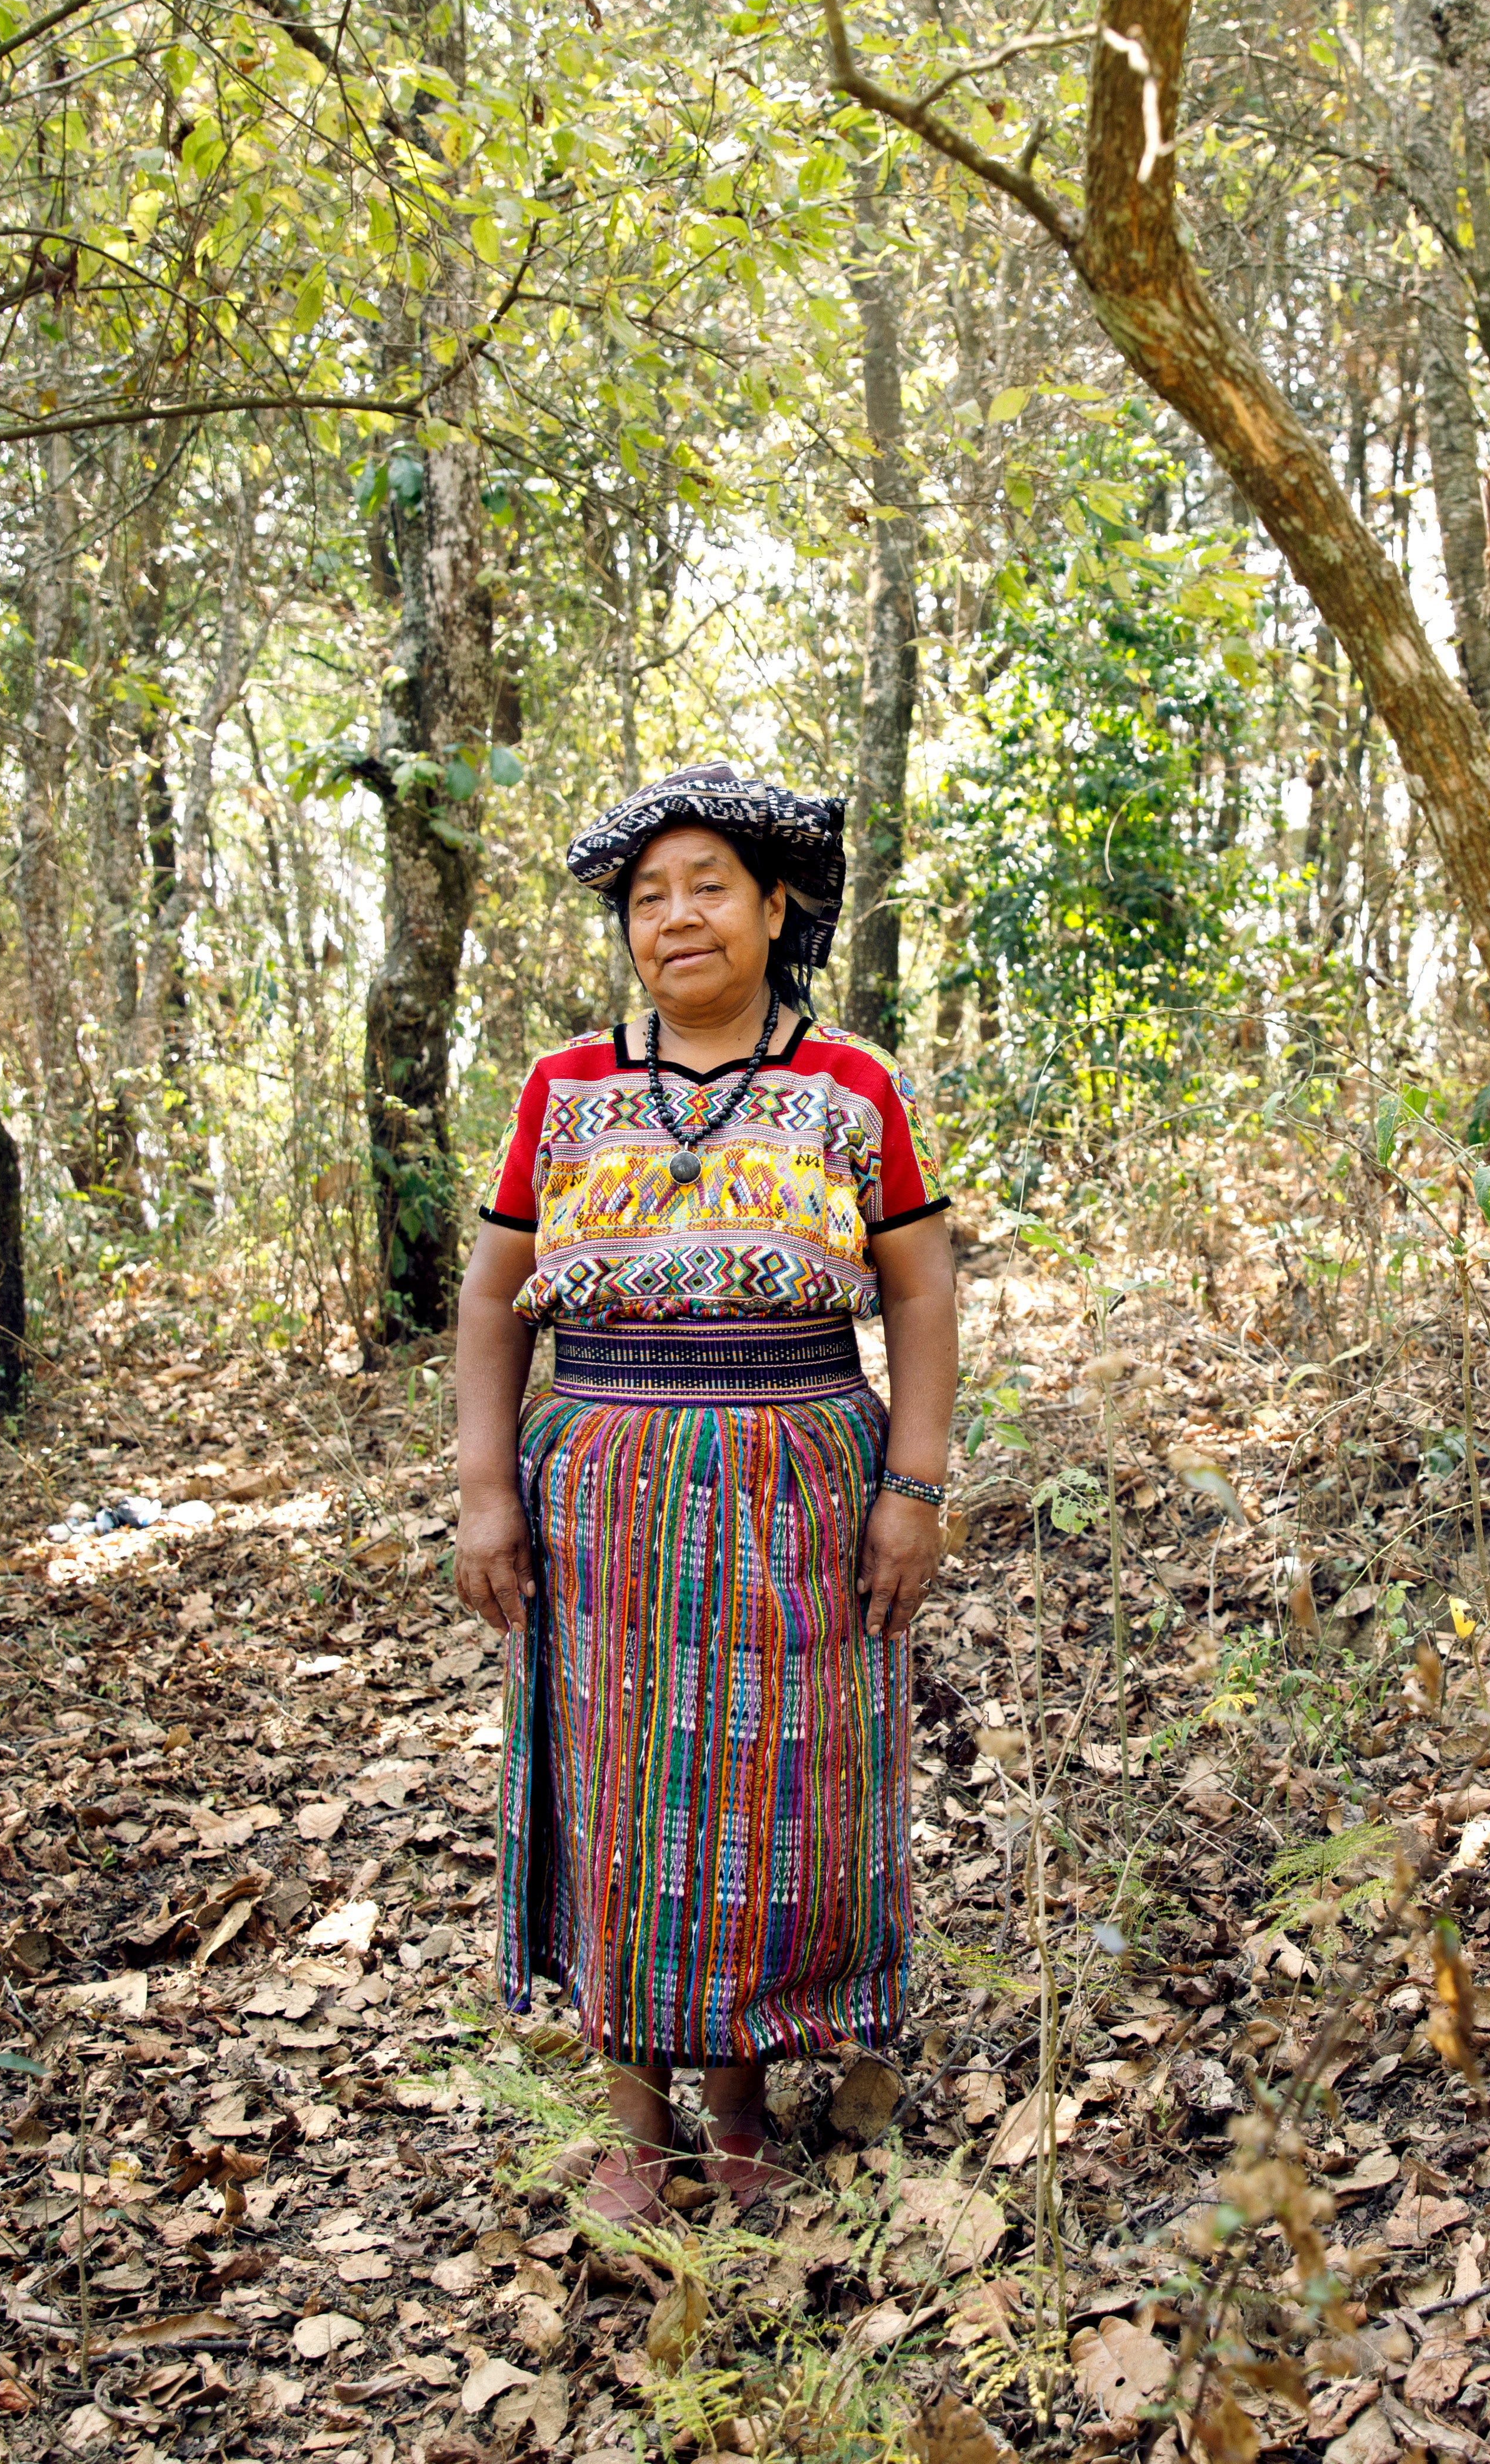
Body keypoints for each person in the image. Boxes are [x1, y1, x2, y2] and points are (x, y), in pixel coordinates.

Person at [449, 764, 958, 2225]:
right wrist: (488, 1491)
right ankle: (634, 2115)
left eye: (708, 886)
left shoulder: (849, 1084)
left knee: (774, 1781)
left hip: (802, 1482)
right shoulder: (565, 1088)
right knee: (622, 1787)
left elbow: (920, 1289)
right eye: (647, 896)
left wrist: (912, 1487)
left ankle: (740, 2100)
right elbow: (495, 1295)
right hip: (602, 1494)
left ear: (774, 904)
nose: (676, 919)